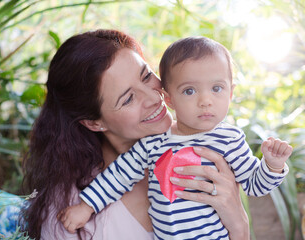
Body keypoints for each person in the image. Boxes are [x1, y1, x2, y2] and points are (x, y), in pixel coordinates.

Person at [21, 30, 250, 240]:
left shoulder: (208, 152)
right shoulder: (70, 218)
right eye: (128, 98)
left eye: (146, 76)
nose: (154, 98)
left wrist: (239, 224)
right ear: (94, 122)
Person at [60, 36, 293, 239]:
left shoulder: (229, 140)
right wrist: (86, 206)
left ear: (231, 93)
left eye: (217, 88)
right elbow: (119, 176)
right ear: (168, 97)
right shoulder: (152, 144)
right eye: (189, 91)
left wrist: (272, 166)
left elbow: (254, 185)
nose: (205, 100)